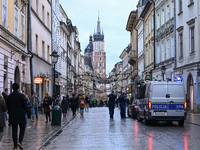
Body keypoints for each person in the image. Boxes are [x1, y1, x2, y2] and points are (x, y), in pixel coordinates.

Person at [6, 83, 31, 150]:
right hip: (21, 115)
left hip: (13, 115)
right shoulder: (21, 96)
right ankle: (20, 141)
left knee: (14, 130)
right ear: (18, 88)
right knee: (22, 128)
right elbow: (25, 106)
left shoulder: (9, 96)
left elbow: (7, 107)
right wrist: (29, 114)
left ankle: (15, 146)